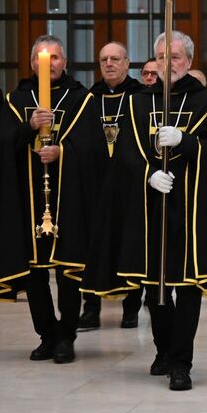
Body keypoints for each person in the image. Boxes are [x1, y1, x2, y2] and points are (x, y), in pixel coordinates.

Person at [84, 30, 207, 391]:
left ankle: (182, 362)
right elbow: (127, 155)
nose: (168, 64)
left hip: (191, 208)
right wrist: (149, 174)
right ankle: (163, 349)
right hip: (150, 209)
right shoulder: (138, 102)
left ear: (189, 61)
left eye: (176, 57)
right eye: (162, 57)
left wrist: (187, 141)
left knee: (189, 287)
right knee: (155, 287)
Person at [0, 35, 102, 366]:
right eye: (43, 58)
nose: (51, 63)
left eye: (57, 57)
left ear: (65, 61)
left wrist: (63, 151)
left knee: (67, 269)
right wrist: (27, 127)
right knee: (34, 271)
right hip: (27, 198)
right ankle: (46, 334)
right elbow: (3, 148)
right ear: (33, 62)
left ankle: (66, 335)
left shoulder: (83, 99)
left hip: (69, 198)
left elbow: (94, 150)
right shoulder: (17, 99)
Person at [78, 41, 145, 331]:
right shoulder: (88, 98)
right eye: (104, 59)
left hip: (129, 184)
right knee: (91, 248)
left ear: (127, 63)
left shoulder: (141, 97)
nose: (109, 64)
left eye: (115, 59)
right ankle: (90, 307)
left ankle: (131, 307)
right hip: (94, 185)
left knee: (129, 244)